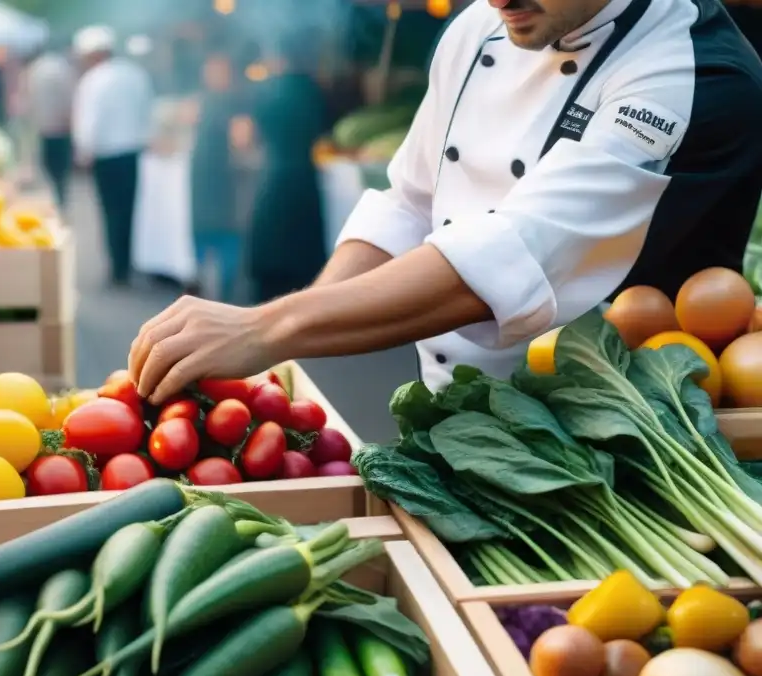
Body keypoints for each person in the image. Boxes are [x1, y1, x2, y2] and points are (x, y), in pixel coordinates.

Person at [127, 0, 762, 405]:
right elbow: (409, 203)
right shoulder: (480, 27)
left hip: (610, 428)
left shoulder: (697, 75)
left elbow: (517, 255)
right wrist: (282, 343)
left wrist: (268, 329)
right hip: (455, 415)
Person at [243, 33, 329, 304]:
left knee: (270, 262)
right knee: (303, 257)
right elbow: (324, 129)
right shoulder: (313, 89)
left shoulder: (267, 90)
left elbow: (249, 136)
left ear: (278, 58)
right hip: (305, 176)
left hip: (274, 177)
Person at [72, 26, 154, 287]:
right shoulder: (135, 74)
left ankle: (118, 268)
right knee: (131, 210)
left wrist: (84, 152)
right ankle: (128, 262)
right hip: (134, 152)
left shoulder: (93, 80)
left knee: (111, 212)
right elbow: (148, 110)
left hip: (106, 156)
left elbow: (88, 122)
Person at [187, 49, 246, 304]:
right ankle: (208, 290)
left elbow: (241, 139)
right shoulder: (209, 101)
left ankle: (220, 292)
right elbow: (242, 139)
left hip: (222, 174)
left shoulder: (230, 103)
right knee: (209, 230)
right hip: (207, 174)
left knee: (221, 232)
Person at [24, 43, 75, 209]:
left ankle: (55, 198)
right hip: (62, 128)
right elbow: (71, 99)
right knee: (61, 171)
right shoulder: (63, 69)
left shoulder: (35, 70)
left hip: (44, 129)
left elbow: (29, 100)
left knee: (50, 167)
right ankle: (60, 199)